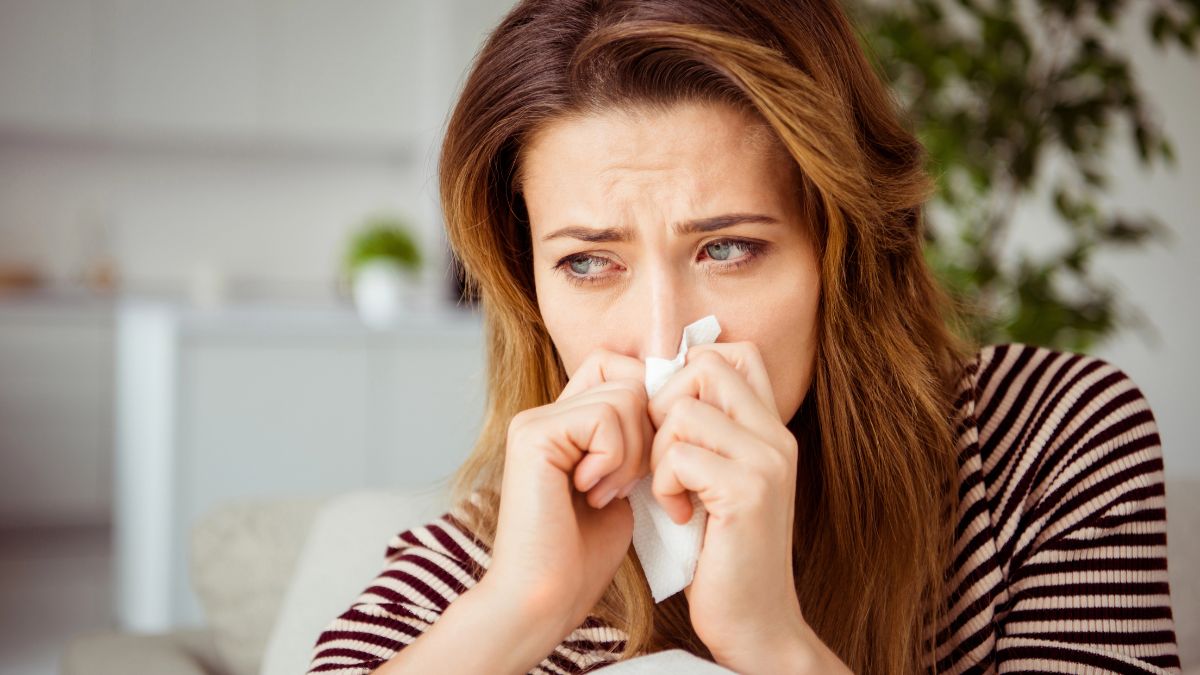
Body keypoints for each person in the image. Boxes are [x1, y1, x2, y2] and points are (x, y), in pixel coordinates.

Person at [305, 1, 1182, 673]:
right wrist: (519, 608)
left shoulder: (1045, 443)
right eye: (587, 263)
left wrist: (774, 641)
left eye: (728, 249)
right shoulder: (494, 554)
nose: (660, 339)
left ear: (842, 251)